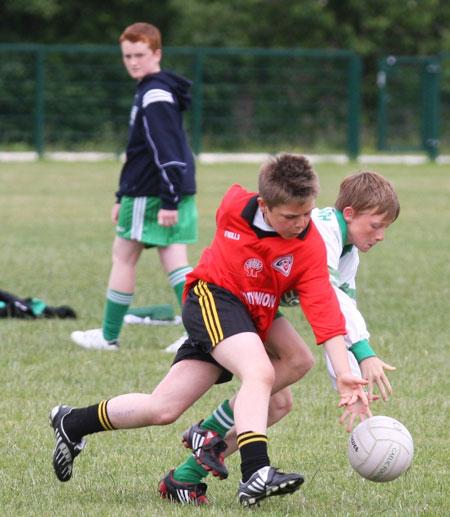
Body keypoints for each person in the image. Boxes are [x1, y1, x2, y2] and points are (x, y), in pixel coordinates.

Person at [50, 153, 370, 508]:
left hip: (253, 314)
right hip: (211, 298)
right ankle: (255, 473)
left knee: (178, 407)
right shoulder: (234, 206)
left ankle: (76, 423)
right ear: (263, 205)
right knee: (260, 374)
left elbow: (325, 312)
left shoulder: (308, 245)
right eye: (290, 216)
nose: (300, 223)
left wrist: (344, 373)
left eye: (307, 213)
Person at [162, 169, 400, 505]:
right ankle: (237, 457)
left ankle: (185, 475)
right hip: (233, 297)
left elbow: (335, 316)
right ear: (349, 213)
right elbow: (333, 302)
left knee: (283, 393)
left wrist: (348, 380)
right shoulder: (323, 232)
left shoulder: (349, 254)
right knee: (253, 381)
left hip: (261, 304)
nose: (381, 235)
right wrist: (364, 352)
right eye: (376, 225)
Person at [70, 22, 197, 351]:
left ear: (157, 53)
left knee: (124, 257)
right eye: (127, 55)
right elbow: (142, 150)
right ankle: (198, 332)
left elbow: (165, 151)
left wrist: (168, 199)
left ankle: (109, 335)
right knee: (175, 261)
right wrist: (121, 195)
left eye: (140, 54)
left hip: (154, 193)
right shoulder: (153, 88)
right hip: (153, 191)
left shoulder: (154, 94)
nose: (133, 61)